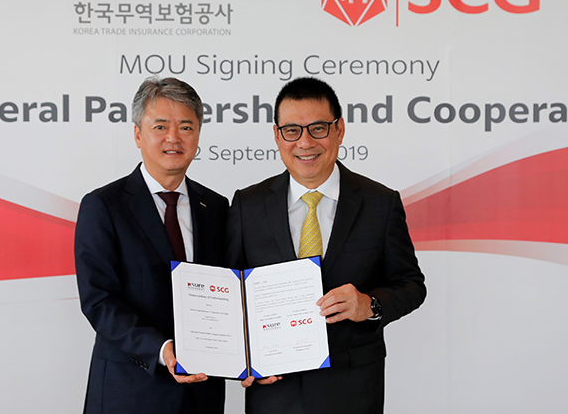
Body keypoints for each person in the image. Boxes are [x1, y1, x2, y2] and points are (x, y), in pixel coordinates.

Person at [227, 77, 426, 414]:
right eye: (292, 130)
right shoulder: (248, 205)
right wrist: (241, 359)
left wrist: (369, 305)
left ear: (339, 130)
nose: (305, 142)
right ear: (277, 136)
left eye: (318, 128)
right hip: (274, 393)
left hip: (352, 392)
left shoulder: (380, 203)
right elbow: (231, 294)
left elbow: (411, 285)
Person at [74, 77, 227, 414]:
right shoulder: (104, 206)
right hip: (130, 392)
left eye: (186, 127)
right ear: (138, 135)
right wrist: (161, 348)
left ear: (198, 135)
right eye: (160, 126)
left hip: (202, 395)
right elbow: (99, 301)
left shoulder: (216, 207)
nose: (173, 137)